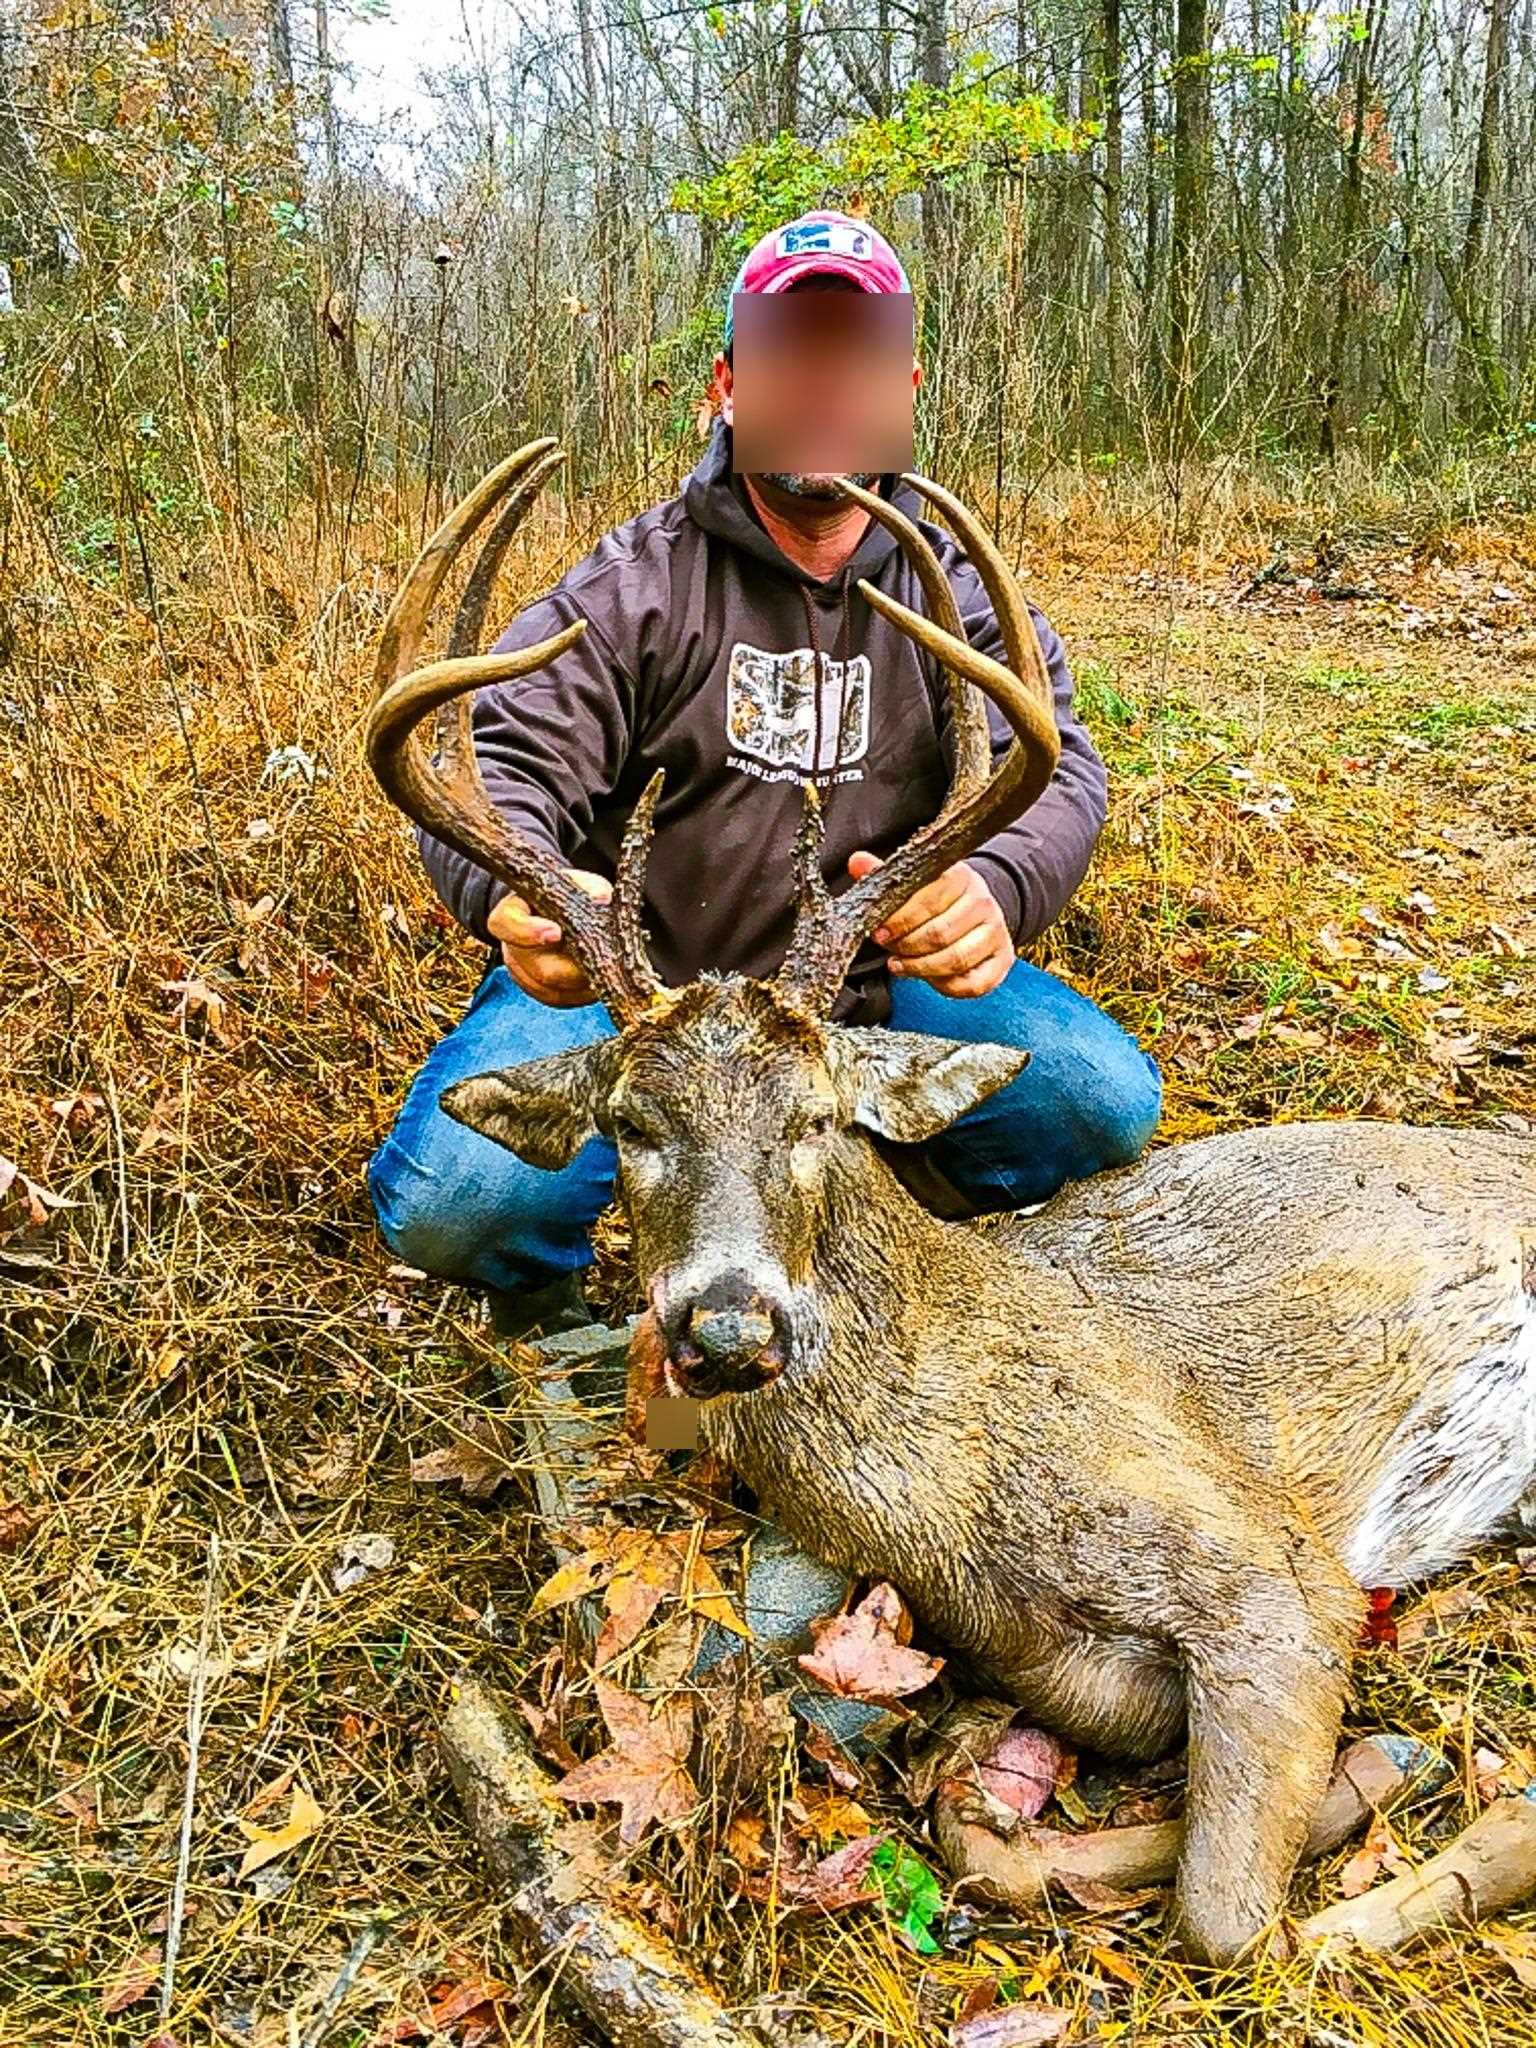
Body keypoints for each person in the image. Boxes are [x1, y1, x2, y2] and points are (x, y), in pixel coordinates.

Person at [368, 209, 1161, 1328]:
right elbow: (494, 758)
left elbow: (1061, 769)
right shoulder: (634, 590)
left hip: (858, 998)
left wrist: (997, 888)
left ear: (907, 387)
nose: (825, 385)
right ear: (728, 386)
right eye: (791, 354)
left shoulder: (959, 596)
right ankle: (552, 1316)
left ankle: (847, 1202)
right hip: (639, 1002)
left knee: (1100, 1101)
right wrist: (517, 892)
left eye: (860, 356)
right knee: (465, 1199)